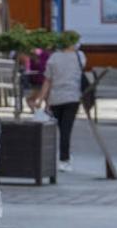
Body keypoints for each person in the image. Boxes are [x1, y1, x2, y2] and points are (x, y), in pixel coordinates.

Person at [31, 35, 86, 171]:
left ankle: (59, 156)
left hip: (55, 99)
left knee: (59, 128)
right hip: (72, 97)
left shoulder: (53, 58)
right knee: (66, 129)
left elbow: (47, 80)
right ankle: (64, 159)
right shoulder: (80, 56)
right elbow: (82, 68)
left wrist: (40, 100)